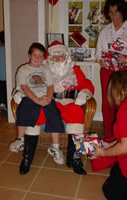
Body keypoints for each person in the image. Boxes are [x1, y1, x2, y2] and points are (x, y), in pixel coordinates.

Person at [10, 41, 95, 175]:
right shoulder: (43, 69)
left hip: (68, 101)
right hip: (49, 100)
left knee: (77, 112)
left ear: (66, 56)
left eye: (60, 56)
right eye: (54, 56)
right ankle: (27, 158)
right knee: (36, 113)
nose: (57, 59)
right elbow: (27, 84)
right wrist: (17, 93)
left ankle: (74, 159)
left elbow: (87, 84)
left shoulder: (75, 69)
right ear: (49, 58)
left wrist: (83, 94)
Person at [14, 42, 65, 174]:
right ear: (29, 55)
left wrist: (48, 99)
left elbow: (50, 86)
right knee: (24, 110)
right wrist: (36, 100)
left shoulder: (46, 69)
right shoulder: (23, 70)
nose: (37, 58)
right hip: (29, 97)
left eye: (41, 56)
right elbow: (24, 87)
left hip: (45, 97)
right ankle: (21, 142)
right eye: (35, 55)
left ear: (44, 58)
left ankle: (55, 147)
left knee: (54, 114)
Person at [89, 71, 127, 200]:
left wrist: (102, 153)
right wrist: (109, 145)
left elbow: (125, 147)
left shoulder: (124, 109)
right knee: (114, 171)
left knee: (109, 190)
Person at [95, 0, 127, 138]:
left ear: (123, 12)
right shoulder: (105, 30)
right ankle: (109, 136)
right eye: (111, 12)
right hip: (107, 71)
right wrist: (100, 60)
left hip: (124, 72)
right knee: (108, 104)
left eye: (117, 12)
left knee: (124, 103)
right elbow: (98, 52)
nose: (114, 15)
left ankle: (123, 136)